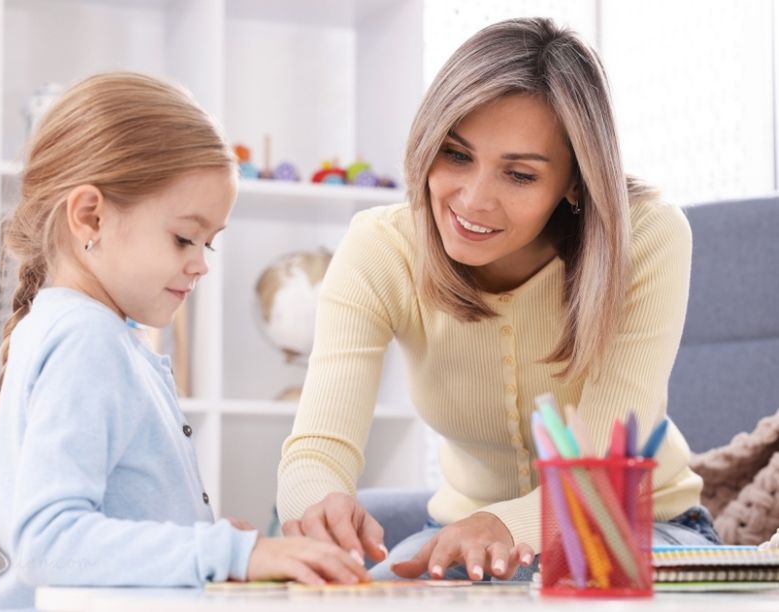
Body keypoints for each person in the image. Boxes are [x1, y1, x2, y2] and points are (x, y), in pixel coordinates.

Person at [276, 17, 720, 583]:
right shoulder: (381, 248)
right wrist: (319, 503)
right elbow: (318, 445)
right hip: (467, 541)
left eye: (518, 174)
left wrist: (506, 527)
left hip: (636, 529)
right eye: (457, 156)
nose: (474, 200)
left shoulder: (648, 238)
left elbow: (602, 473)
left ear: (575, 182)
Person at [0, 72, 369, 612]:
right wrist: (226, 552)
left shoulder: (91, 333)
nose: (199, 264)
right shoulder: (86, 339)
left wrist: (201, 543)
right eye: (183, 238)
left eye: (209, 244)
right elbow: (50, 543)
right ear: (91, 216)